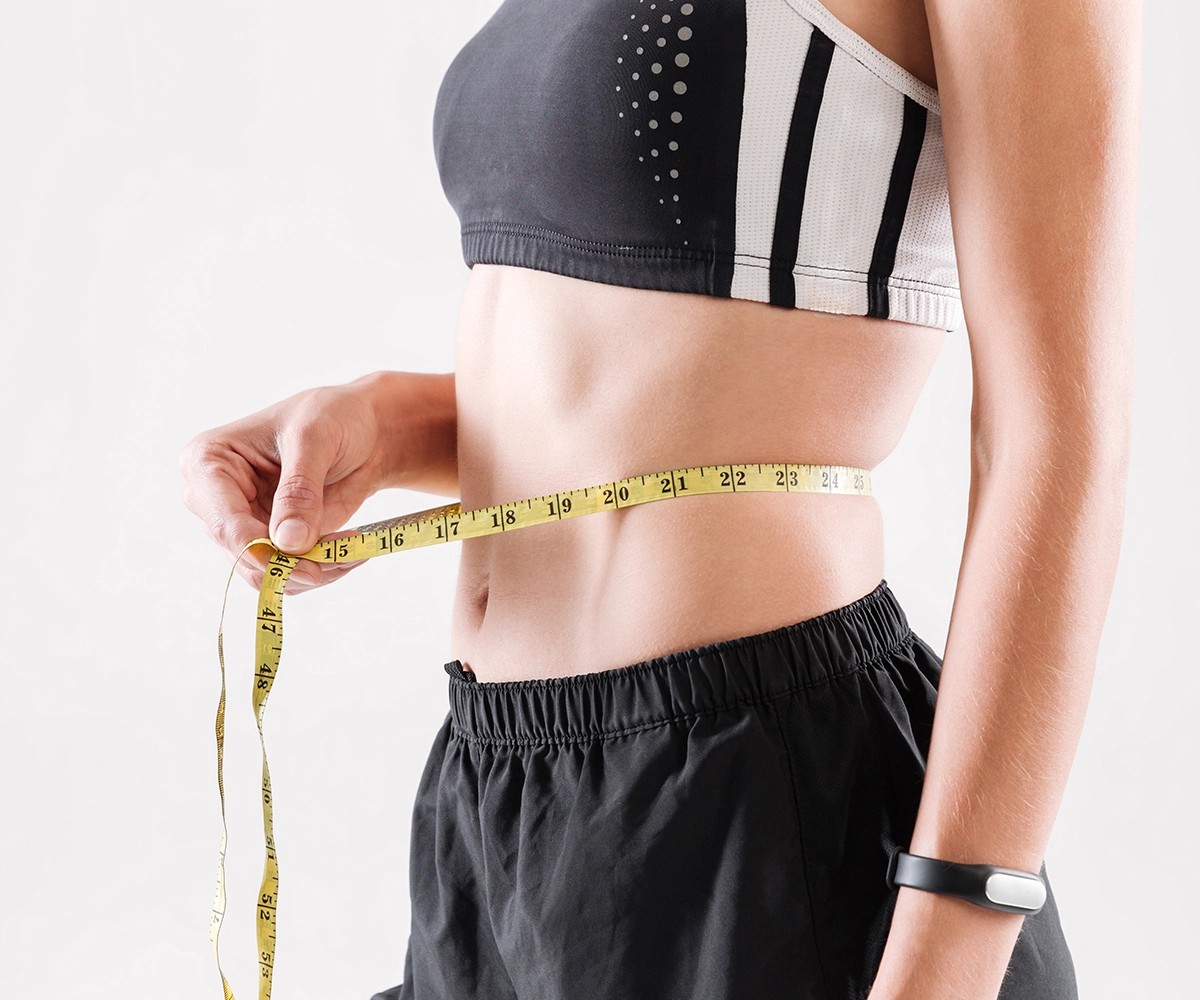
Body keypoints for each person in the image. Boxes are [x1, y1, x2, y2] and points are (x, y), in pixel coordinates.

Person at [179, 1, 1139, 997]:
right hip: (492, 799)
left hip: (756, 803)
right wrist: (387, 425)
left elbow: (1059, 442)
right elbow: (641, 381)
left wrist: (949, 954)